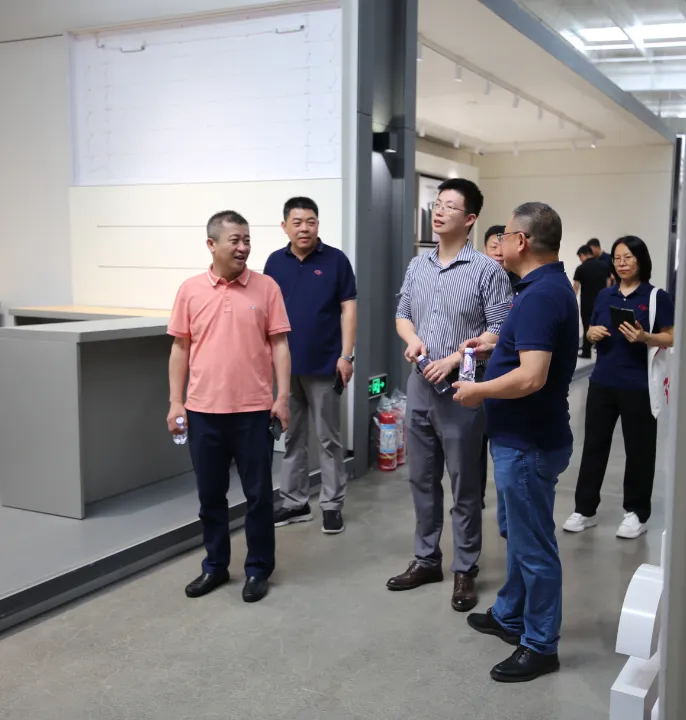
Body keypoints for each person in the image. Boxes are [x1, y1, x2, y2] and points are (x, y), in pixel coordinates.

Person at [454, 202, 578, 682]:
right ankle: (510, 614)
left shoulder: (541, 295)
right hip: (521, 437)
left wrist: (479, 391)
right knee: (518, 533)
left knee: (533, 545)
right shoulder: (540, 289)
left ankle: (541, 644)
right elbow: (529, 350)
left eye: (505, 235)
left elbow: (531, 376)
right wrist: (493, 347)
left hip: (529, 441)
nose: (500, 242)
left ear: (521, 241)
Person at [388, 178, 512, 613]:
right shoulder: (417, 266)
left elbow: (499, 331)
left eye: (449, 207)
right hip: (420, 385)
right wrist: (413, 340)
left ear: (470, 218)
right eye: (437, 204)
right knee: (421, 479)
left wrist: (457, 355)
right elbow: (403, 314)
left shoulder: (487, 271)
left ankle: (465, 568)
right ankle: (426, 559)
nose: (438, 212)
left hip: (463, 390)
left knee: (464, 484)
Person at [166, 210, 291, 604]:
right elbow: (180, 348)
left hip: (254, 410)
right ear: (212, 244)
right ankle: (215, 566)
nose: (243, 247)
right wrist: (175, 401)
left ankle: (258, 569)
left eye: (247, 240)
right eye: (235, 240)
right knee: (210, 497)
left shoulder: (266, 288)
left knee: (259, 496)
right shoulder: (190, 290)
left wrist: (282, 397)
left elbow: (280, 345)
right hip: (203, 411)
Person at [563, 236, 674, 539]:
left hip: (639, 385)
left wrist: (645, 337)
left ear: (641, 260)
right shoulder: (604, 295)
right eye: (618, 258)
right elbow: (592, 328)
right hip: (602, 381)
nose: (622, 263)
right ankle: (585, 510)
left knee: (640, 450)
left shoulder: (656, 297)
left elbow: (671, 336)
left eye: (628, 257)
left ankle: (636, 513)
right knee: (593, 447)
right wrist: (591, 333)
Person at [265, 197, 357, 535]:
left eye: (311, 222)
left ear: (318, 224)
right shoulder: (275, 262)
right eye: (297, 222)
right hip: (286, 368)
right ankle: (295, 502)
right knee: (291, 437)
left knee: (329, 439)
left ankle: (332, 505)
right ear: (285, 226)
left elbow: (348, 309)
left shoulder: (336, 260)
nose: (305, 228)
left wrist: (346, 356)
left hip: (325, 364)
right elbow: (267, 313)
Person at [573, 244, 610, 358]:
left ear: (583, 255)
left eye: (580, 257)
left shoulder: (581, 268)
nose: (580, 260)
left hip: (587, 303)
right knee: (602, 326)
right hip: (602, 301)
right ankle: (601, 351)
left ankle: (586, 352)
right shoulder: (604, 266)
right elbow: (609, 283)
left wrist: (571, 302)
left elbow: (576, 287)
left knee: (587, 326)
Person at [484, 224, 520, 290]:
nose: (499, 253)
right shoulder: (476, 277)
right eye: (494, 247)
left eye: (504, 247)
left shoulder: (522, 279)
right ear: (485, 250)